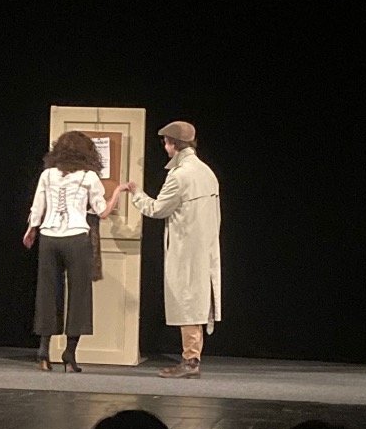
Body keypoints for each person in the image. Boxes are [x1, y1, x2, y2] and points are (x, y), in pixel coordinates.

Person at [23, 131, 125, 372]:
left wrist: (31, 229)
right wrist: (118, 192)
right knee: (79, 294)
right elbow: (101, 211)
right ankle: (69, 354)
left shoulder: (47, 174)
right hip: (76, 237)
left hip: (49, 238)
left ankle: (43, 352)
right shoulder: (89, 177)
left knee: (47, 292)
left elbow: (37, 206)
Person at [126, 120, 221, 378]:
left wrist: (136, 193)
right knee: (195, 299)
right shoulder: (207, 172)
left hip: (186, 246)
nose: (165, 148)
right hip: (204, 246)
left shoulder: (179, 175)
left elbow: (157, 209)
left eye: (166, 143)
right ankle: (192, 357)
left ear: (173, 144)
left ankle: (190, 361)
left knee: (188, 300)